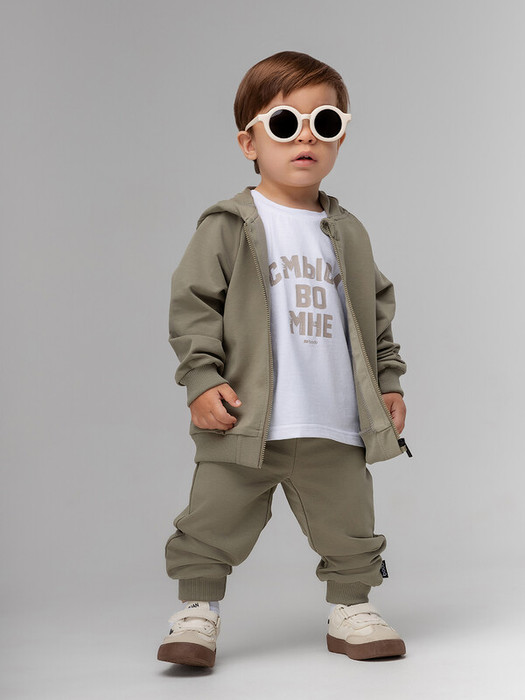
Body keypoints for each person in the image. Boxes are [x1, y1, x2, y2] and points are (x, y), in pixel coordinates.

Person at [157, 50, 412, 668]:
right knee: (212, 517)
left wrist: (388, 382)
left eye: (324, 123)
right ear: (250, 142)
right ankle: (197, 610)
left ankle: (352, 607)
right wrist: (201, 378)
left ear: (340, 137)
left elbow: (376, 312)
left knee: (350, 523)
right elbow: (194, 305)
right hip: (246, 420)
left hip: (334, 419)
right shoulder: (229, 225)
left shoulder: (348, 232)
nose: (305, 137)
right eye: (283, 123)